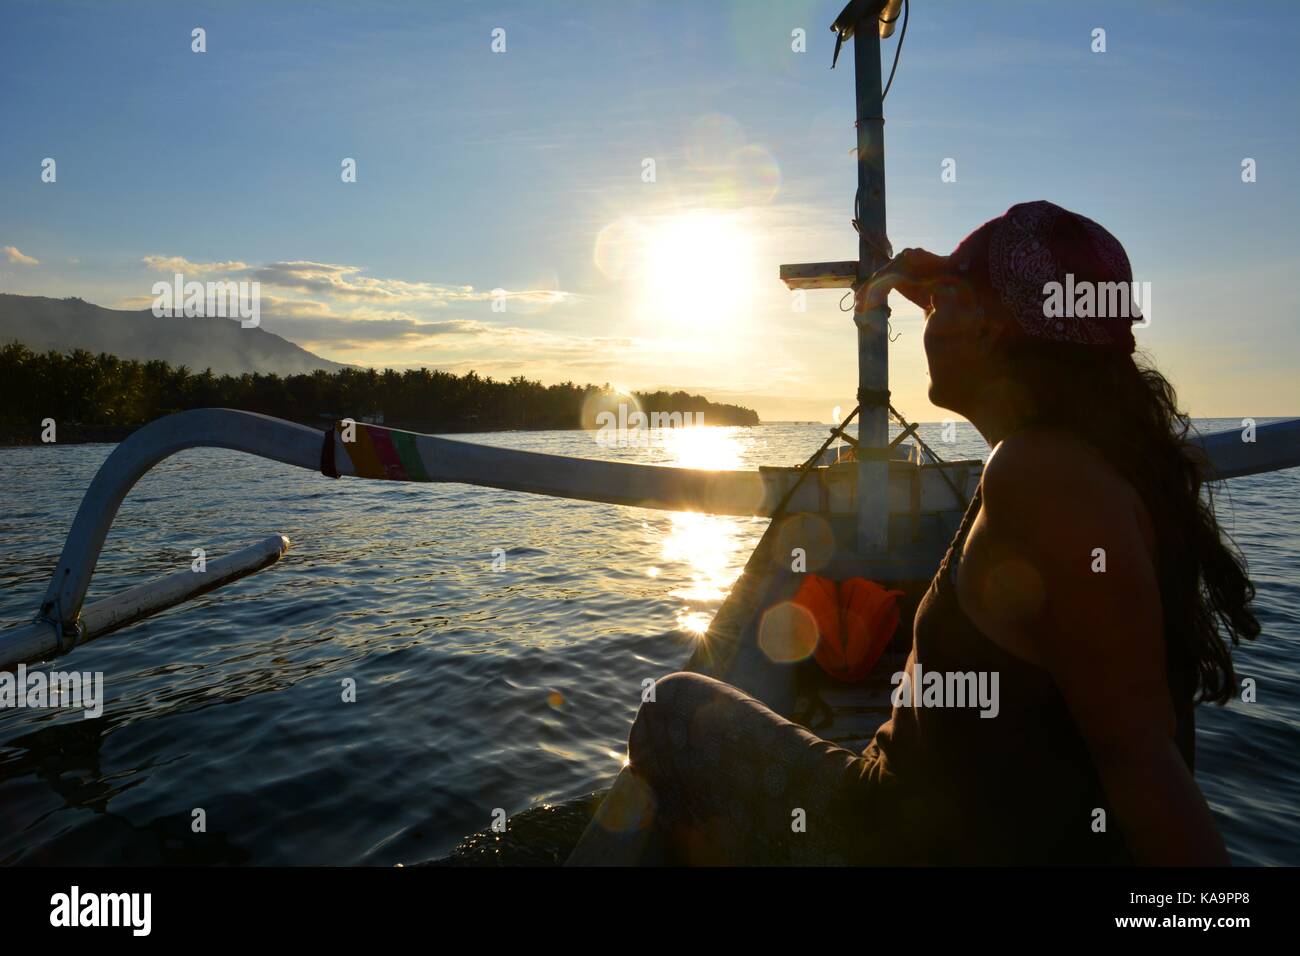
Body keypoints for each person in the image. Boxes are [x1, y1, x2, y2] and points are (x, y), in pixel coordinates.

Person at [624, 201, 1259, 865]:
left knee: (670, 711)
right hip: (969, 828)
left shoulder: (1040, 477)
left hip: (902, 841)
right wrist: (928, 275)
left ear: (989, 332)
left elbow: (1141, 762)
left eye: (946, 300)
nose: (928, 316)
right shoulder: (1107, 456)